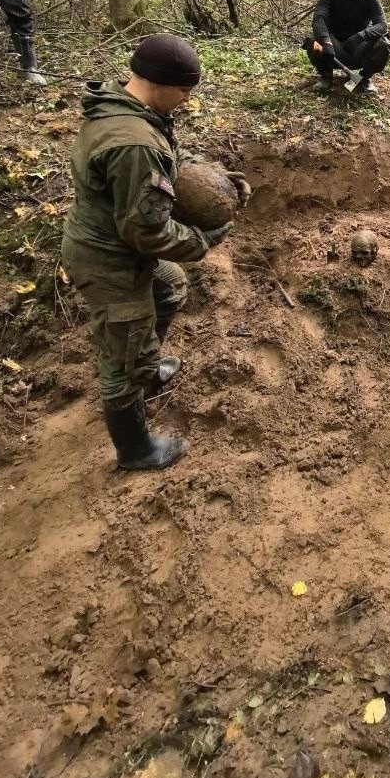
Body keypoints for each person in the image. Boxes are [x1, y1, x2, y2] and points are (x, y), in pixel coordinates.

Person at [61, 34, 250, 471]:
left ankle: (146, 368)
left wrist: (219, 175)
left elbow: (169, 163)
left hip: (114, 240)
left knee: (168, 287)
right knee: (122, 356)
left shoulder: (132, 110)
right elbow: (145, 233)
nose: (187, 100)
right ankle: (135, 449)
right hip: (108, 258)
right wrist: (202, 242)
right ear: (159, 81)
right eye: (184, 90)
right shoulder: (132, 142)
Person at [304, 0, 390, 94]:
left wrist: (360, 36)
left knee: (384, 44)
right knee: (313, 41)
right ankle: (326, 77)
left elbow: (382, 25)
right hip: (332, 49)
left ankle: (363, 79)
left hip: (358, 48)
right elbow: (318, 19)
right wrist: (326, 43)